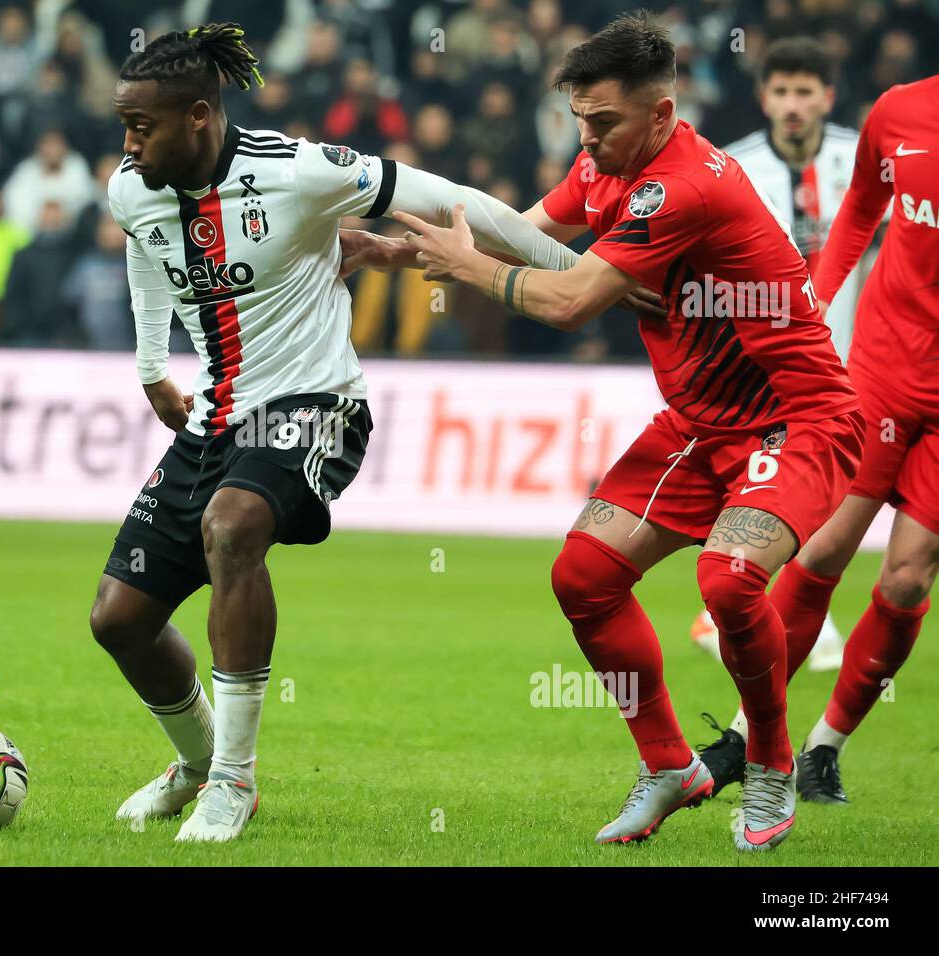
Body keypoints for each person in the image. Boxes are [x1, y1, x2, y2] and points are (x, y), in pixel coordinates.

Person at [363, 13, 863, 851]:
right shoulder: (605, 163)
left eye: (603, 124)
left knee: (730, 581)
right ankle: (670, 766)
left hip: (799, 416)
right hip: (700, 424)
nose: (586, 142)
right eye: (579, 122)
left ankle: (770, 766)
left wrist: (470, 271)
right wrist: (384, 252)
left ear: (662, 115)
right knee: (582, 576)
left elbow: (566, 301)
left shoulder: (686, 186)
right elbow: (512, 232)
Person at [94, 22, 578, 843]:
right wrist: (149, 366)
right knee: (119, 621)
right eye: (124, 125)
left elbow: (461, 204)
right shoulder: (131, 187)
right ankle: (199, 765)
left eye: (143, 126)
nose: (129, 145)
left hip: (316, 406)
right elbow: (147, 250)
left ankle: (235, 785)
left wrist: (578, 274)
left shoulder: (300, 170)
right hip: (216, 417)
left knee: (233, 526)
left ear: (201, 116)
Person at [704, 72, 939, 805]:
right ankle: (748, 737)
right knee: (826, 548)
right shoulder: (899, 111)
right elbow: (863, 208)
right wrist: (821, 297)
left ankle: (825, 747)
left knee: (907, 579)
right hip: (885, 363)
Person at [689, 37, 863, 692]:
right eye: (781, 92)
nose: (793, 105)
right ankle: (733, 611)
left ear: (828, 96)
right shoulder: (733, 167)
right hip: (762, 372)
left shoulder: (863, 161)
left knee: (824, 502)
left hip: (854, 360)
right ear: (764, 98)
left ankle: (743, 613)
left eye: (805, 91)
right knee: (786, 491)